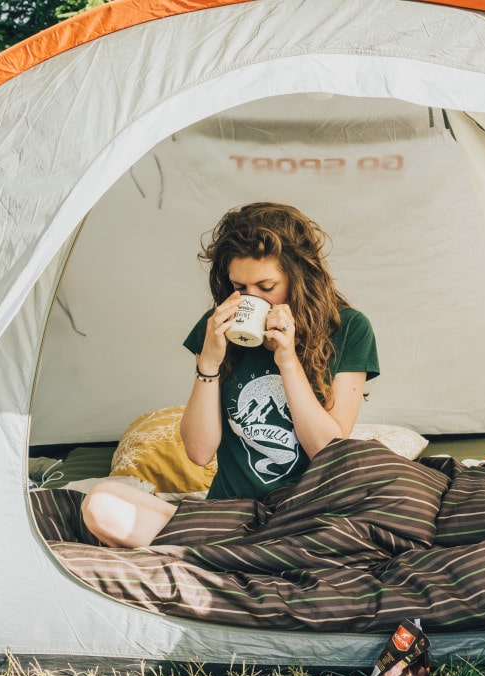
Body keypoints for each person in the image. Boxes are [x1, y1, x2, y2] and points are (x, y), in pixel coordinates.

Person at [81, 202, 379, 547]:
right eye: (240, 287)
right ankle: (240, 551)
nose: (250, 298)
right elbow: (199, 452)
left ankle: (235, 553)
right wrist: (208, 363)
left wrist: (287, 360)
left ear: (299, 276)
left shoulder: (349, 329)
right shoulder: (218, 328)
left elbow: (328, 451)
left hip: (308, 515)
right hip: (230, 516)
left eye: (266, 287)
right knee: (102, 504)